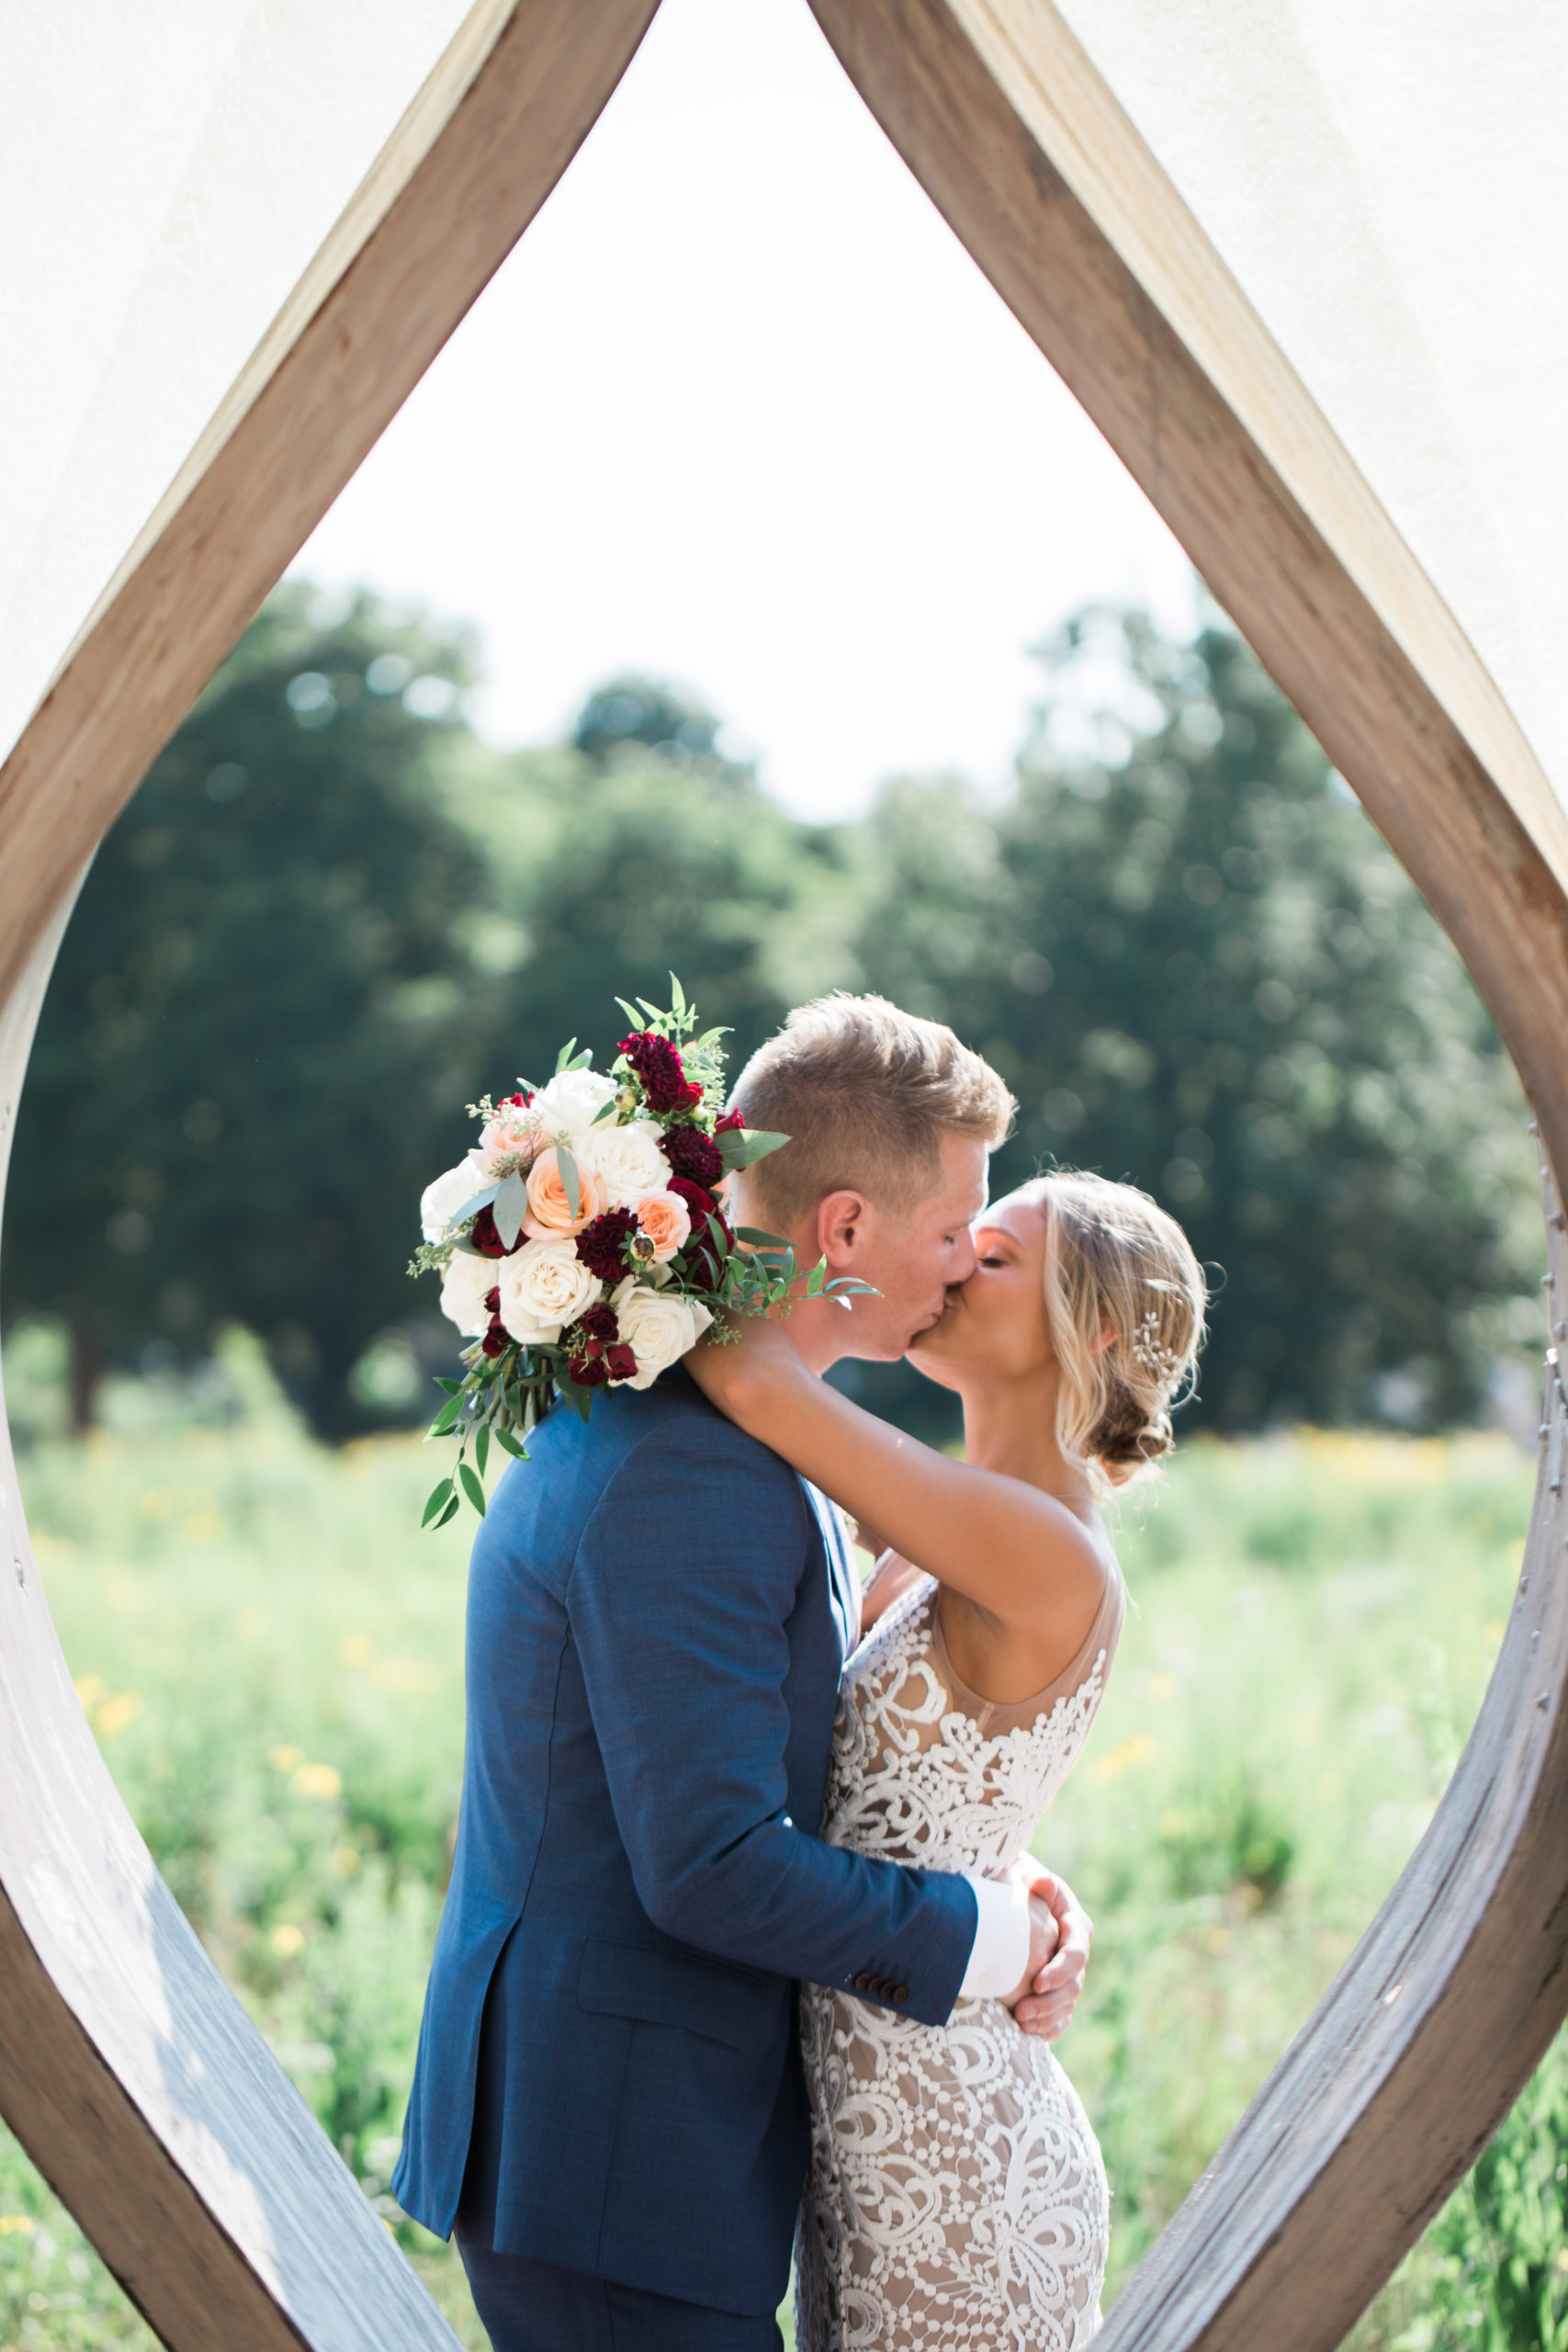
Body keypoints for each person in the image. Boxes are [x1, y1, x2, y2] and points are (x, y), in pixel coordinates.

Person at [393, 995, 1094, 2351]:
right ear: (845, 1231)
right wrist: (982, 1943)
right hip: (614, 2160)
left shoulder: (733, 1433)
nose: (961, 1267)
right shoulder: (694, 1469)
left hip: (621, 2147)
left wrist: (993, 1876)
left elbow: (783, 1749)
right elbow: (711, 1860)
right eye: (952, 1231)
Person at [688, 1162, 1208, 2349]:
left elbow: (756, 1386)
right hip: (865, 2142)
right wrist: (1023, 1881)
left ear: (1097, 1326)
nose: (959, 1259)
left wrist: (637, 1203)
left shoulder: (1049, 1548)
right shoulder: (948, 1523)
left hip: (962, 2165)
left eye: (999, 1255)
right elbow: (939, 1794)